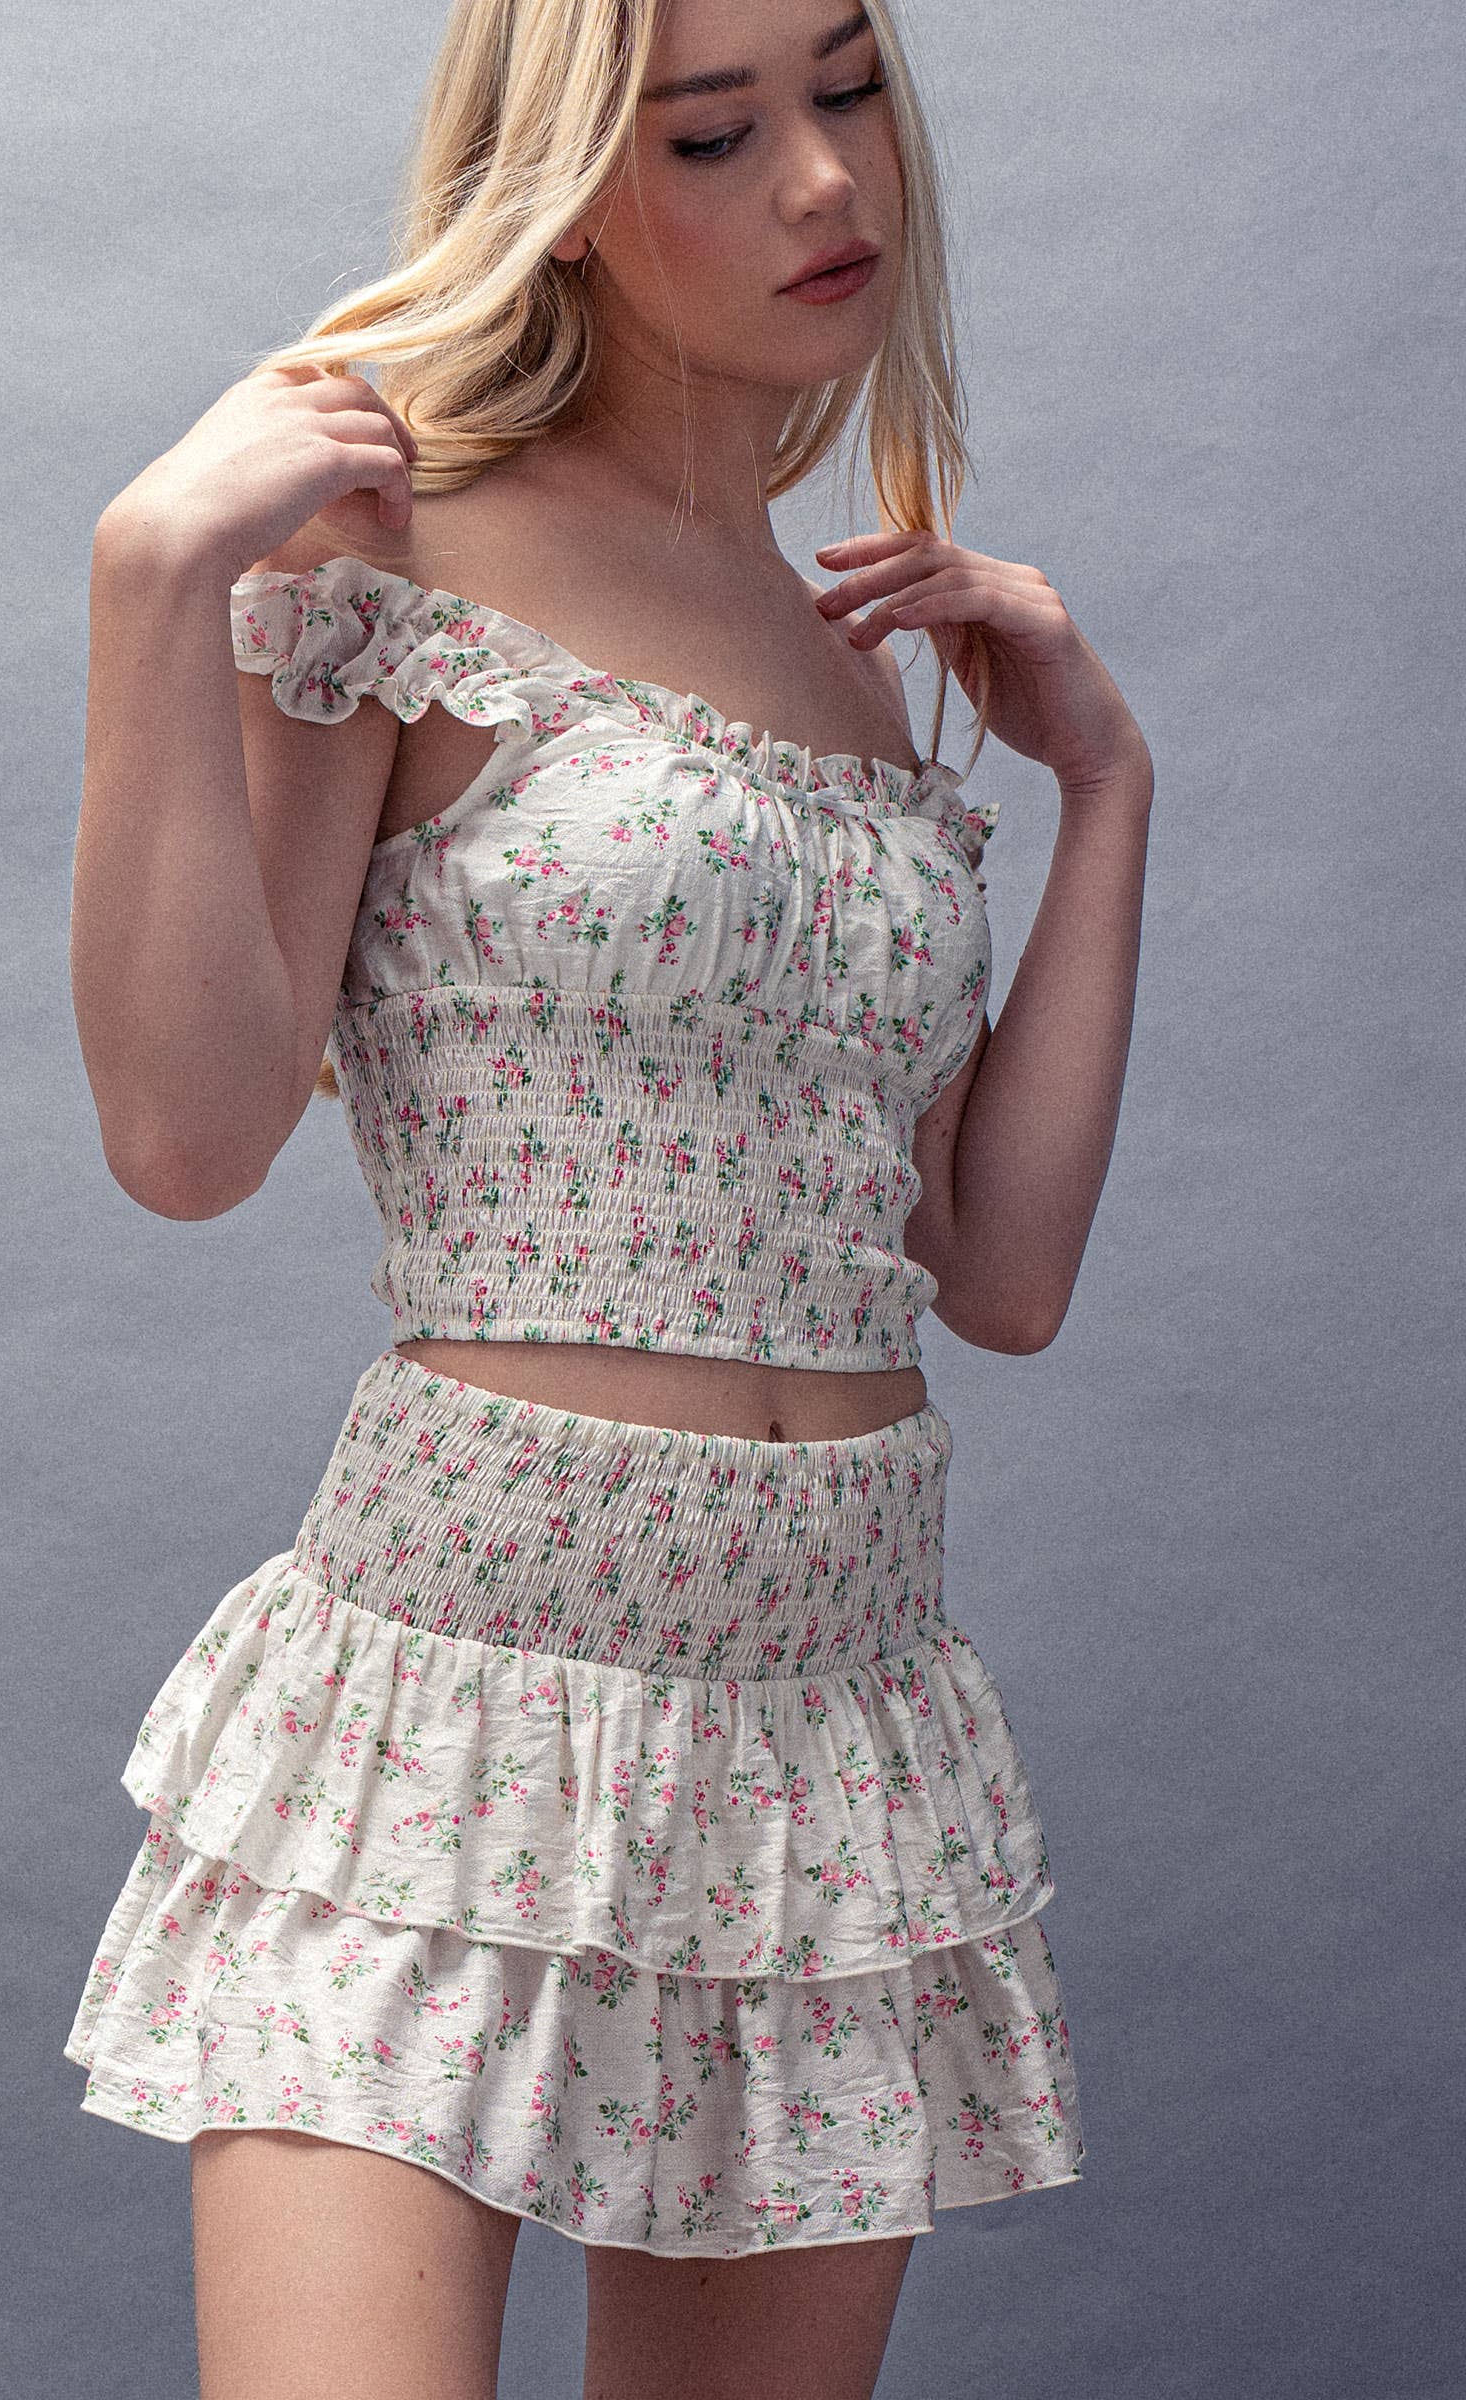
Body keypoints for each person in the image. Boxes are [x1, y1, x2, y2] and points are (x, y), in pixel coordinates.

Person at [65, 0, 1153, 2391]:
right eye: (714, 127)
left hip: (824, 1721)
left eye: (850, 88)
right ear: (565, 173)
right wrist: (155, 579)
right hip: (449, 1698)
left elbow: (1001, 1275)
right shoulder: (393, 548)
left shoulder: (844, 640)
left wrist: (1105, 795)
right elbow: (185, 1135)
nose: (823, 183)